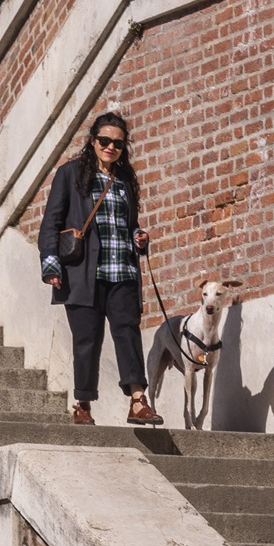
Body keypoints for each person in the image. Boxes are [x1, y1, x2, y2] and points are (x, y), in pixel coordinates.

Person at [38, 112, 160, 426]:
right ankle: (83, 404)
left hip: (123, 272)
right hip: (83, 273)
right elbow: (51, 221)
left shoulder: (125, 178)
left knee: (128, 334)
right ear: (93, 141)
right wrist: (50, 262)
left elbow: (128, 224)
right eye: (104, 141)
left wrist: (138, 237)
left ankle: (138, 401)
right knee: (87, 340)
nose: (110, 147)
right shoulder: (70, 173)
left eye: (118, 144)